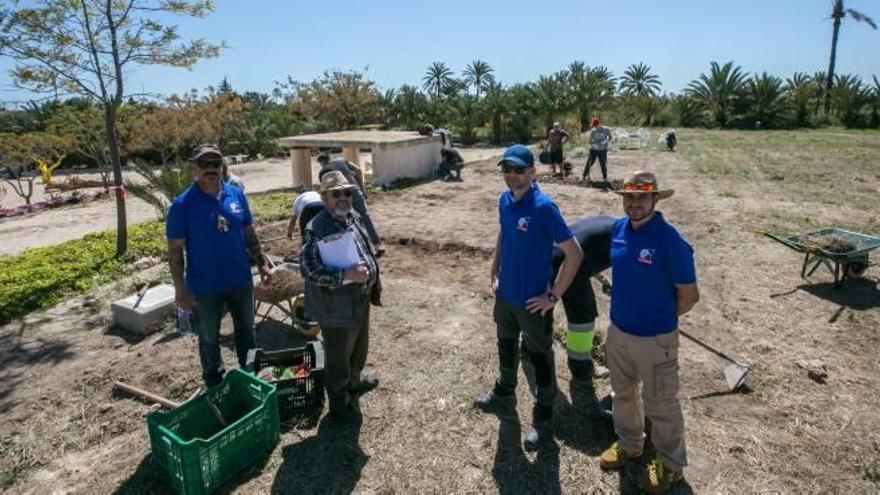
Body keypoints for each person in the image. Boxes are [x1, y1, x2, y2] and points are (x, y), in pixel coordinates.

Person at [474, 144, 584, 451]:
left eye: (519, 170)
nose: (512, 175)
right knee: (505, 345)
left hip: (534, 303)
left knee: (539, 358)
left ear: (532, 172)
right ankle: (504, 392)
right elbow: (504, 235)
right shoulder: (504, 200)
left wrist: (553, 295)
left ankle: (543, 416)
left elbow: (574, 254)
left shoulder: (544, 208)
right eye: (507, 170)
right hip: (505, 295)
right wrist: (494, 268)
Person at [598, 171, 699, 494]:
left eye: (642, 196)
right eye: (629, 197)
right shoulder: (618, 231)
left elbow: (689, 296)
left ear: (656, 199)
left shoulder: (670, 241)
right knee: (622, 393)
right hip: (619, 333)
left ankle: (671, 466)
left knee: (661, 404)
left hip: (656, 340)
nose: (635, 203)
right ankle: (630, 444)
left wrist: (659, 319)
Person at [166, 146, 270, 387]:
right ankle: (215, 383)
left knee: (247, 331)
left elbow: (248, 232)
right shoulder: (182, 205)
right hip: (205, 287)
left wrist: (262, 263)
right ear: (194, 167)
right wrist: (180, 290)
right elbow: (175, 252)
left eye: (215, 163)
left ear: (222, 166)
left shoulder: (236, 194)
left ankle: (251, 377)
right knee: (209, 338)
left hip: (240, 280)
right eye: (204, 164)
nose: (210, 169)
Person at [299, 171, 382, 422]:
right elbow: (308, 268)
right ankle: (338, 403)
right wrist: (344, 275)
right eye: (336, 194)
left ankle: (354, 382)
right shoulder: (317, 227)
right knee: (338, 357)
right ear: (324, 198)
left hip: (359, 299)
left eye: (347, 192)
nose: (343, 197)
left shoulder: (351, 216)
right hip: (335, 307)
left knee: (358, 347)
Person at [552, 215, 615, 380]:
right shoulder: (628, 241)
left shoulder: (606, 222)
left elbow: (586, 247)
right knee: (583, 317)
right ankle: (581, 369)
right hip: (568, 266)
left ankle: (528, 347)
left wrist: (604, 280)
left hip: (549, 255)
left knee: (538, 306)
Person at [319, 156, 384, 256]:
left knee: (342, 219)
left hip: (337, 195)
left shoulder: (325, 171)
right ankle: (378, 244)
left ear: (322, 162)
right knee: (364, 217)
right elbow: (358, 170)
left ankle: (352, 247)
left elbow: (326, 191)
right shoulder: (341, 160)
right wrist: (362, 189)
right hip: (353, 188)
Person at [583, 117, 612, 187]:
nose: (595, 127)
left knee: (603, 164)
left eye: (596, 125)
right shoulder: (593, 131)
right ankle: (584, 176)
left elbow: (610, 137)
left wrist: (605, 141)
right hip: (594, 150)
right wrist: (593, 144)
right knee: (589, 163)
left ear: (599, 123)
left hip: (603, 150)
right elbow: (589, 141)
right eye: (594, 125)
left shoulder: (606, 129)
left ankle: (605, 178)